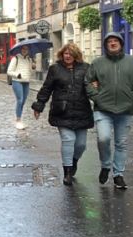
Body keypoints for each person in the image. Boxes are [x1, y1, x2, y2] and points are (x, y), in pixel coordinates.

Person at [85, 32, 133, 189]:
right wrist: (96, 97)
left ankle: (118, 174)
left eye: (115, 41)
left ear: (120, 43)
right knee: (103, 139)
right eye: (109, 41)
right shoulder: (98, 63)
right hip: (103, 109)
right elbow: (87, 81)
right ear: (106, 45)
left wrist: (132, 97)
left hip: (125, 109)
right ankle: (106, 165)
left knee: (121, 143)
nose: (112, 43)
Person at [31, 43, 94, 186]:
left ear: (76, 55)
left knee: (81, 145)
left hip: (81, 111)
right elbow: (46, 88)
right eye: (65, 53)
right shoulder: (55, 69)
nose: (68, 56)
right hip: (62, 111)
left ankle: (73, 162)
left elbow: (93, 87)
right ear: (62, 54)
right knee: (68, 139)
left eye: (71, 54)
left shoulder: (86, 68)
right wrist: (39, 105)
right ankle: (67, 172)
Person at [7, 44, 36, 129]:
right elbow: (9, 71)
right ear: (20, 49)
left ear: (28, 51)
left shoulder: (29, 59)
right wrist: (17, 74)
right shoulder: (15, 58)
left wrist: (33, 67)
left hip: (26, 82)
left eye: (26, 49)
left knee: (23, 101)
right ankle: (18, 120)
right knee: (20, 100)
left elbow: (31, 72)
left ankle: (19, 117)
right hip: (17, 81)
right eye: (23, 49)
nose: (24, 50)